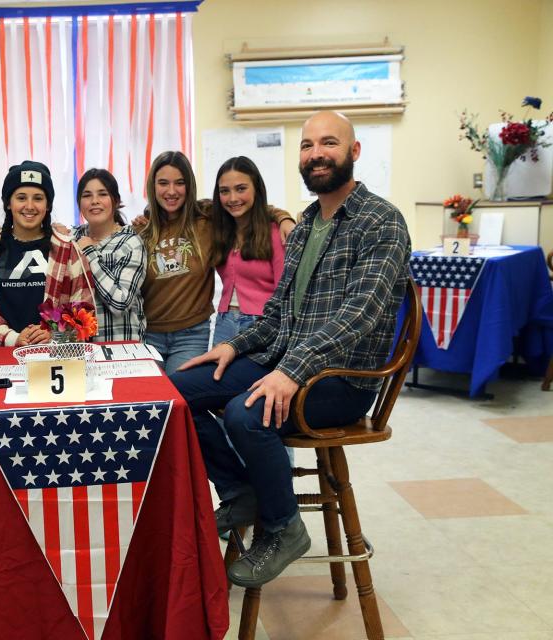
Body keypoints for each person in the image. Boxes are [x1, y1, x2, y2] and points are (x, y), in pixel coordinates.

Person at [170, 112, 411, 589]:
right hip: (287, 362)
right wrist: (233, 347)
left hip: (341, 379)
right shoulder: (303, 227)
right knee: (174, 392)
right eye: (306, 146)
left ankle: (283, 527)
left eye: (329, 143)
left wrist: (293, 371)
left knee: (244, 413)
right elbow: (278, 312)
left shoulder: (381, 221)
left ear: (354, 152)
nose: (316, 154)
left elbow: (359, 315)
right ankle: (242, 492)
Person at [138, 151, 293, 374]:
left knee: (189, 394)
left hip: (199, 334)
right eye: (163, 183)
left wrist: (283, 217)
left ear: (189, 186)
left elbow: (253, 208)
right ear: (152, 187)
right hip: (158, 333)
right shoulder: (142, 230)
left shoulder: (206, 219)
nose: (171, 191)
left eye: (179, 183)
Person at [0, 160, 95, 347]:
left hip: (55, 361)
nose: (29, 205)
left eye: (38, 198)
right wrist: (14, 338)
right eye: (21, 197)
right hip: (3, 361)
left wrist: (53, 335)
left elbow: (86, 312)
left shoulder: (68, 250)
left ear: (48, 205)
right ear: (8, 203)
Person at [211, 156, 290, 346]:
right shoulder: (219, 229)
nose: (233, 198)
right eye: (225, 191)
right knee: (211, 376)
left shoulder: (275, 233)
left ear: (256, 189)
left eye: (241, 189)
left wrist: (284, 217)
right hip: (224, 321)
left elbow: (284, 294)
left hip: (262, 324)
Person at [71, 168, 146, 342]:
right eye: (87, 195)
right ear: (79, 203)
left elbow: (120, 303)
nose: (94, 201)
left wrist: (90, 252)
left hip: (121, 350)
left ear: (116, 200)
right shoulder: (72, 238)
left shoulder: (130, 242)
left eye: (102, 194)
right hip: (80, 349)